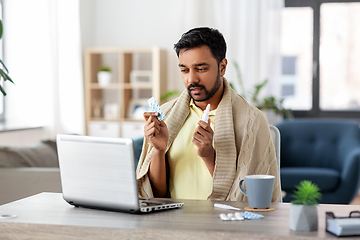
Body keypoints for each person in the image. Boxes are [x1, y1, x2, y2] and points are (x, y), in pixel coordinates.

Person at [136, 27, 280, 202]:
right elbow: (156, 196)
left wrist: (208, 155)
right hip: (175, 224)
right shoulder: (165, 116)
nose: (191, 79)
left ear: (222, 67)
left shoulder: (251, 121)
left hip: (224, 226)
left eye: (201, 69)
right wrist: (158, 150)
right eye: (184, 70)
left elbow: (249, 198)